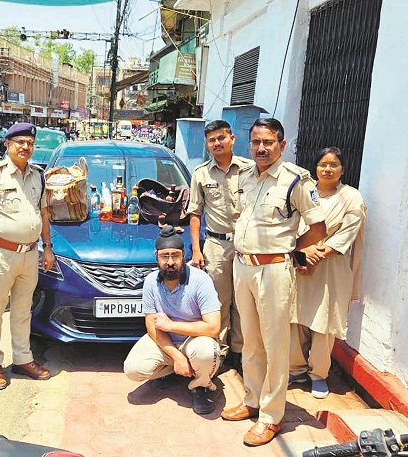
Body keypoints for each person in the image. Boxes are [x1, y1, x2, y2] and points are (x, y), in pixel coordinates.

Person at [220, 118, 326, 446]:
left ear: (282, 144)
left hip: (274, 271)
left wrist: (293, 251)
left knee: (275, 345)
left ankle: (271, 416)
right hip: (243, 268)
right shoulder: (245, 176)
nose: (261, 148)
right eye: (256, 142)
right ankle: (252, 399)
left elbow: (318, 227)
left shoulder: (296, 180)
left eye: (268, 142)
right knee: (250, 341)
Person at [0, 122, 55, 390]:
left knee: (22, 311)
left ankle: (22, 359)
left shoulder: (38, 175)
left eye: (29, 143)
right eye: (20, 142)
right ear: (8, 144)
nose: (25, 147)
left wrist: (48, 247)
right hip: (2, 254)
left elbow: (43, 213)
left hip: (30, 254)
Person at [289, 147, 366, 399]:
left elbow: (347, 233)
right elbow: (290, 224)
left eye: (334, 165)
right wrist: (302, 253)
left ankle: (318, 375)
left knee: (324, 322)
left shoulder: (351, 197)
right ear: (315, 167)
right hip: (300, 261)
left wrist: (317, 255)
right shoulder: (304, 191)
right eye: (323, 164)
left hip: (331, 267)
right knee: (295, 318)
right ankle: (296, 370)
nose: (328, 169)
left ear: (343, 169)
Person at [124, 226, 222, 415]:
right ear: (156, 257)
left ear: (183, 255)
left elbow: (213, 328)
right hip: (167, 342)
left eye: (175, 255)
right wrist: (177, 357)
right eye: (165, 256)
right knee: (133, 369)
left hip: (195, 341)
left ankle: (200, 386)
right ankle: (175, 370)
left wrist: (171, 325)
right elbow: (151, 326)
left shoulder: (201, 280)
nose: (170, 262)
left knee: (206, 353)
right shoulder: (150, 281)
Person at [187, 119, 253, 374]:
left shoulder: (249, 169)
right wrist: (196, 249)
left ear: (232, 139)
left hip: (247, 245)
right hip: (216, 245)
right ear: (207, 144)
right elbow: (195, 213)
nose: (217, 143)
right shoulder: (201, 173)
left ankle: (240, 351)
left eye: (221, 138)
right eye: (211, 140)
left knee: (244, 300)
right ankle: (221, 352)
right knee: (219, 301)